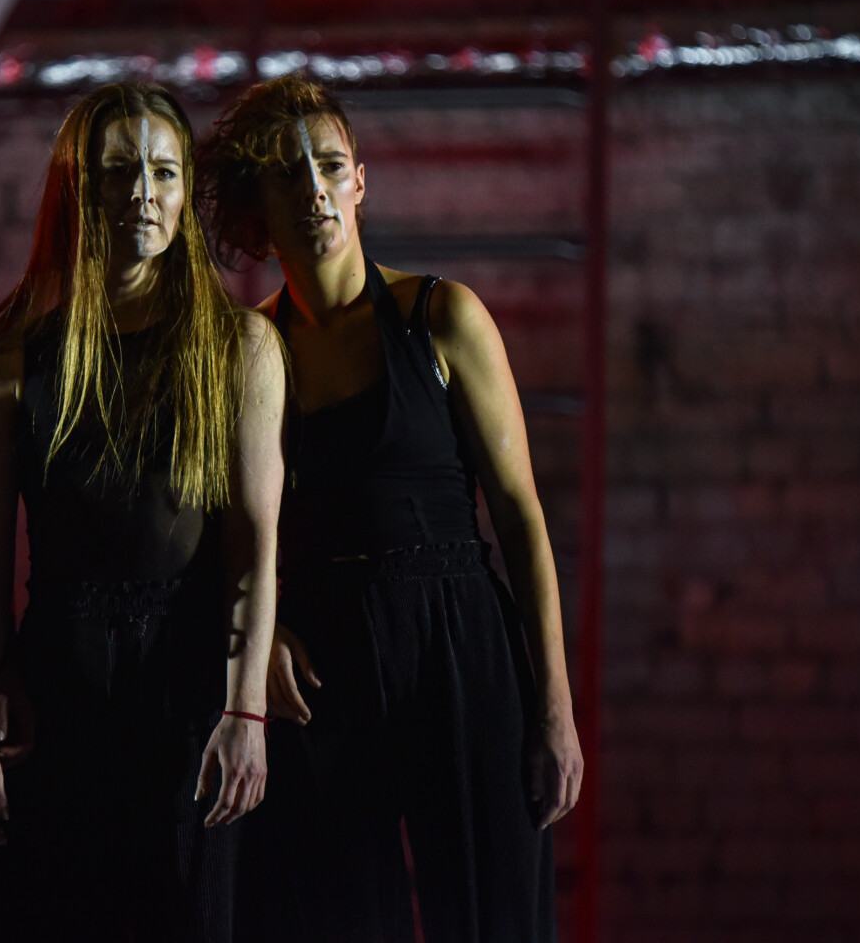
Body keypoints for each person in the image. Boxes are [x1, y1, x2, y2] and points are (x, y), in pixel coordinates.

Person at [200, 74, 582, 943]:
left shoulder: (442, 316)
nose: (315, 189)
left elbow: (521, 520)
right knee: (333, 916)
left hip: (458, 635)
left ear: (360, 183)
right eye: (289, 174)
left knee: (489, 916)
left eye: (330, 166)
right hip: (326, 661)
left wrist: (555, 710)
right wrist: (265, 635)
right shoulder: (254, 350)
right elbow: (236, 528)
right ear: (260, 206)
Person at [0, 83, 286, 942]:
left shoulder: (240, 345)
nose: (143, 191)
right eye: (120, 171)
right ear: (81, 188)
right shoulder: (10, 359)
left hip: (190, 675)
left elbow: (254, 546)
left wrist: (245, 712)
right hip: (59, 679)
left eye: (165, 172)